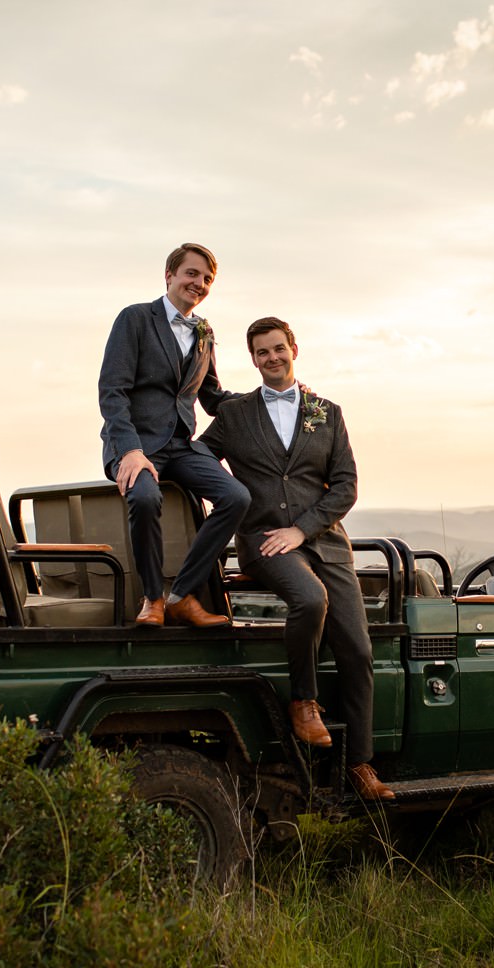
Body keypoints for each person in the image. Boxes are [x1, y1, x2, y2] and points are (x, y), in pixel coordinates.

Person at [199, 317, 394, 801]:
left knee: (358, 651)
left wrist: (302, 528)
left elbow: (346, 484)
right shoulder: (236, 414)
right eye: (262, 352)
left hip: (324, 541)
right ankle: (303, 702)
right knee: (309, 599)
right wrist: (228, 505)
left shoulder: (327, 413)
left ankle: (360, 765)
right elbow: (199, 458)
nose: (272, 358)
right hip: (264, 541)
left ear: (294, 349)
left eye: (278, 348)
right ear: (253, 359)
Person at [98, 242, 251, 627]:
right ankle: (153, 599)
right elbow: (112, 392)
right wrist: (130, 451)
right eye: (191, 274)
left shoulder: (204, 332)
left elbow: (213, 396)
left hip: (182, 445)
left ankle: (182, 595)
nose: (198, 283)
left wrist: (267, 400)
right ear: (169, 275)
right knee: (146, 497)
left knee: (236, 496)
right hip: (136, 444)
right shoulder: (134, 319)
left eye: (207, 279)